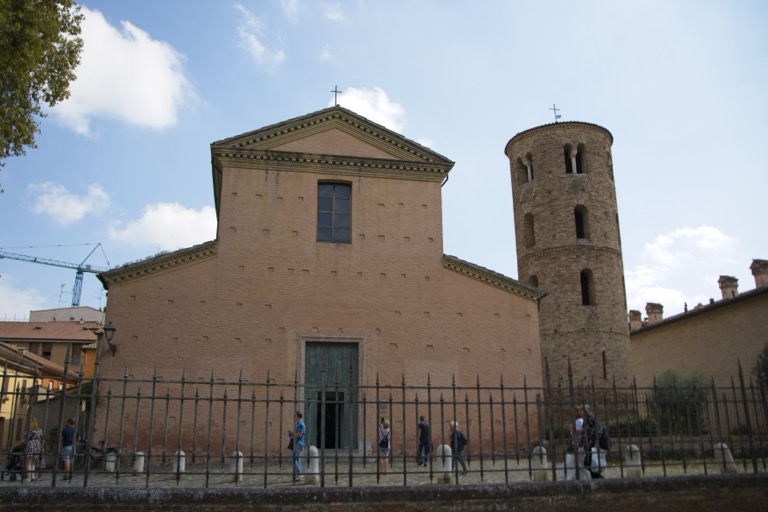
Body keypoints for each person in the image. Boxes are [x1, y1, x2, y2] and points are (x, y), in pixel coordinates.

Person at [576, 404, 601, 478]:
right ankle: (593, 475)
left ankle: (595, 476)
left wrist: (597, 441)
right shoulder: (586, 419)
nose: (581, 412)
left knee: (588, 461)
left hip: (590, 442)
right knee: (587, 461)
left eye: (582, 410)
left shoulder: (590, 418)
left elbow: (594, 431)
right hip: (587, 442)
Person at [287, 410, 305, 482]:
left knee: (293, 458)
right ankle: (299, 475)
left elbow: (299, 434)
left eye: (294, 415)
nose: (293, 416)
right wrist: (291, 434)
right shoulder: (298, 423)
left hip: (298, 443)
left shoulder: (301, 424)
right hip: (296, 442)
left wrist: (292, 432)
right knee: (297, 459)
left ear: (297, 416)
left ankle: (300, 474)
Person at [25, 417, 43, 482]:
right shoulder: (39, 430)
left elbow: (25, 438)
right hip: (37, 445)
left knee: (29, 462)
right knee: (33, 462)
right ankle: (33, 476)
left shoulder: (29, 430)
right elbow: (41, 438)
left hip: (30, 445)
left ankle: (28, 477)